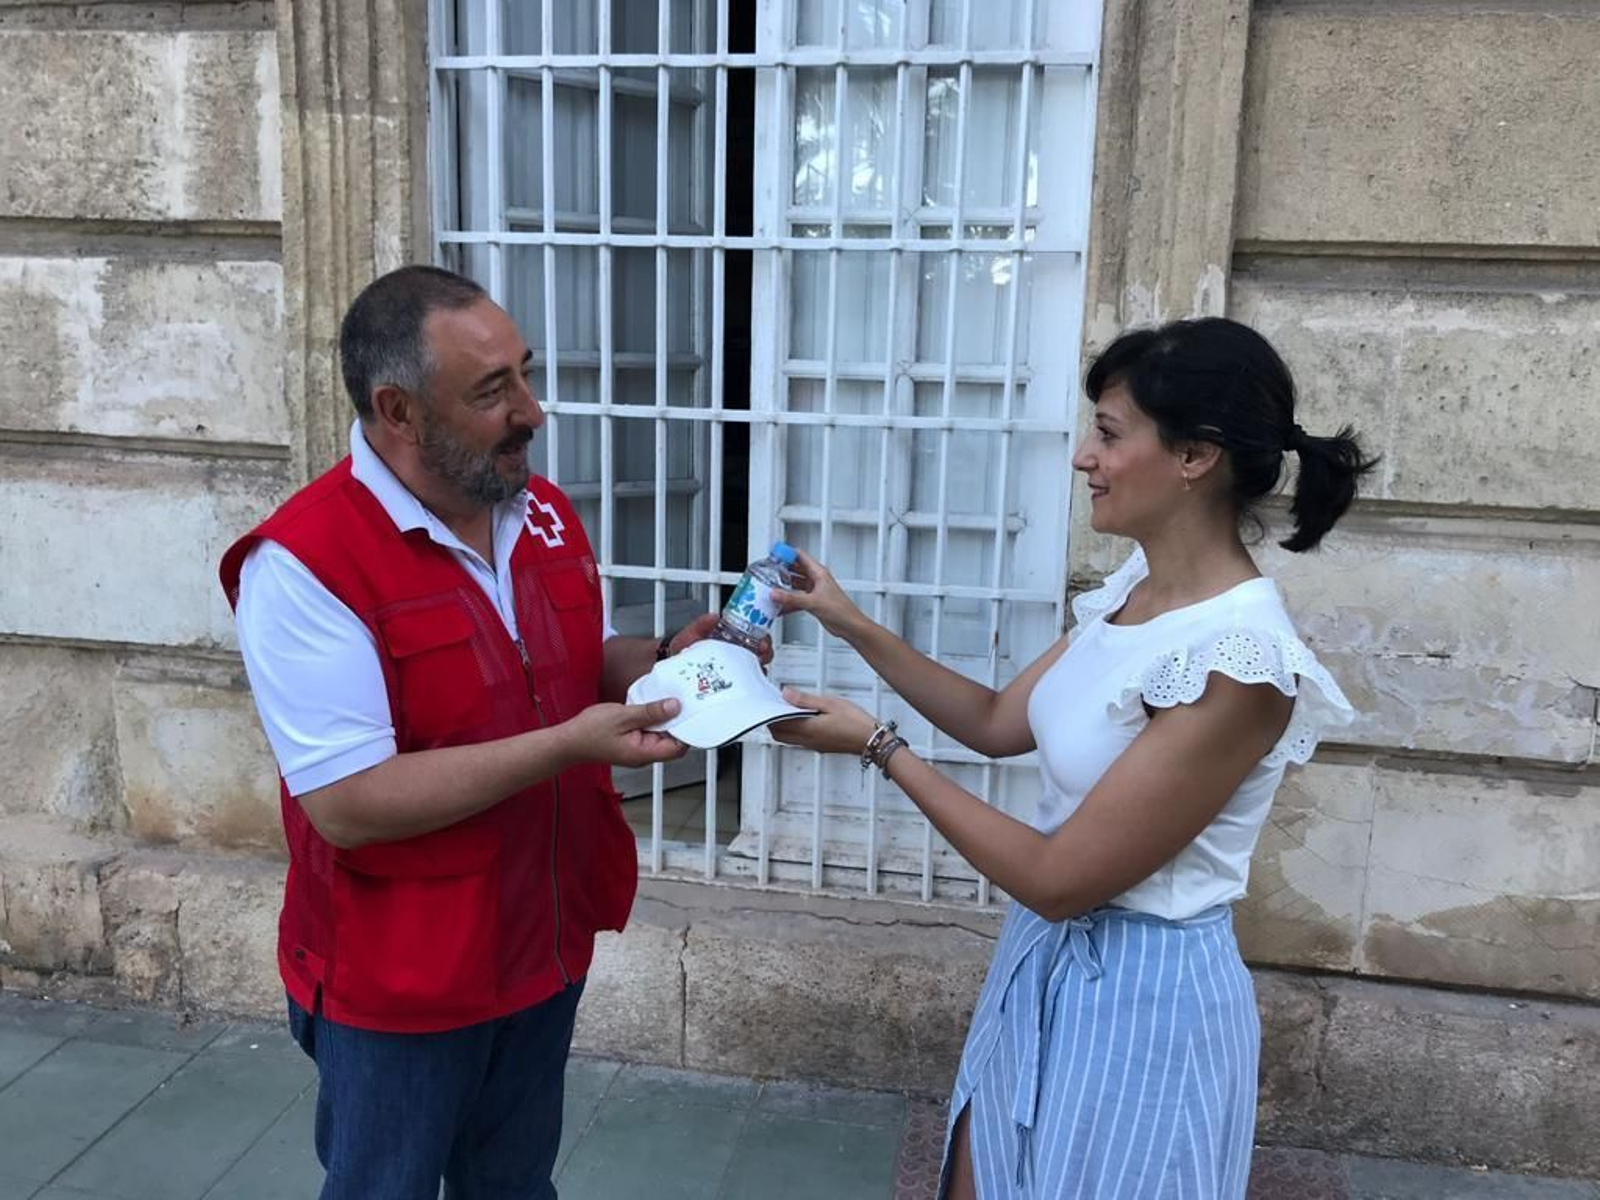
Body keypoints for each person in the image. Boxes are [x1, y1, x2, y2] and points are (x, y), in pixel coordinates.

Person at [770, 317, 1375, 1199]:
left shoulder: (1238, 662)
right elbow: (993, 721)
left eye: (1109, 433)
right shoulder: (1133, 593)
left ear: (1196, 456)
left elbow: (1061, 877)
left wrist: (875, 744)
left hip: (1147, 1002)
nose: (1084, 458)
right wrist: (848, 620)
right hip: (1042, 960)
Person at [218, 265, 717, 1199]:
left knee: (515, 1188)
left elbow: (561, 662)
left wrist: (664, 660)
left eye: (526, 374)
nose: (532, 411)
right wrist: (572, 744)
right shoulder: (305, 564)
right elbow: (349, 805)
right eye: (494, 391)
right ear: (398, 410)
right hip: (400, 982)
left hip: (542, 941)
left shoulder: (539, 512)